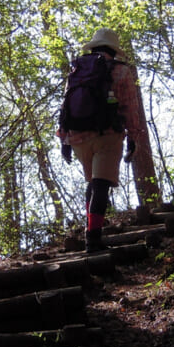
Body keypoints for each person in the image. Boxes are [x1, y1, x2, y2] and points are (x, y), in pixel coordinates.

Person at [57, 28, 146, 252]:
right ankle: (93, 238)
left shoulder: (77, 69)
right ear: (113, 50)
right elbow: (130, 107)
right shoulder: (121, 71)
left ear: (94, 47)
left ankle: (92, 231)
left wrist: (63, 139)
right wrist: (133, 138)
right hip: (107, 135)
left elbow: (65, 105)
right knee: (101, 184)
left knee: (93, 183)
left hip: (77, 137)